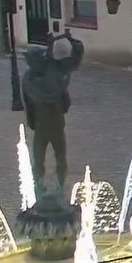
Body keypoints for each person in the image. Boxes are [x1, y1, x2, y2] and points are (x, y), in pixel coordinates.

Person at [22, 31, 84, 195]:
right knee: (39, 161)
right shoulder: (31, 79)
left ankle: (59, 188)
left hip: (54, 124)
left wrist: (71, 41)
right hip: (43, 126)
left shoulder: (52, 68)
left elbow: (76, 59)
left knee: (60, 159)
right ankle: (39, 188)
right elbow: (45, 96)